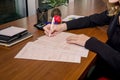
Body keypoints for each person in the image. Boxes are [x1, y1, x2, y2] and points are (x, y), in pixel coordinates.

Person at [43, 0, 120, 80]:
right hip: (106, 65)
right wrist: (62, 26)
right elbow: (90, 20)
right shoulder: (116, 10)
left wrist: (91, 42)